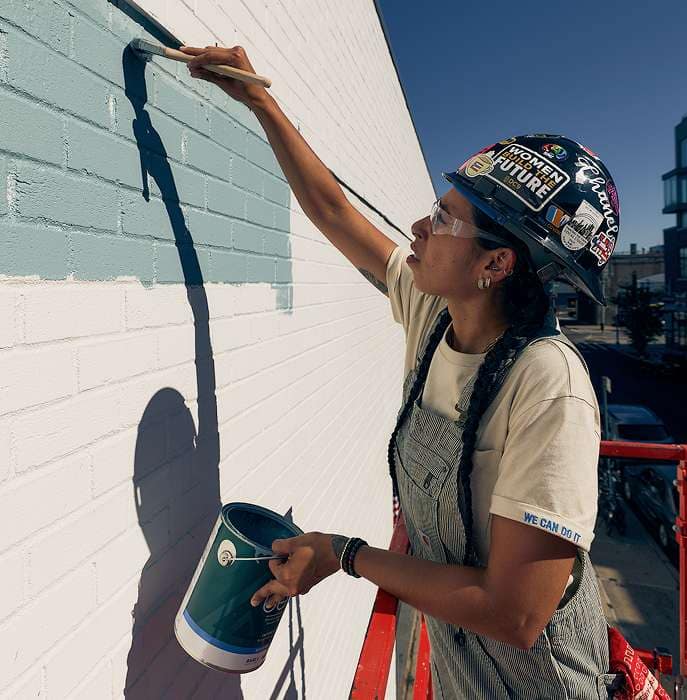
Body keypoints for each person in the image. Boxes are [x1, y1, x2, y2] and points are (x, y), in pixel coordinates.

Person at [183, 45, 621, 699]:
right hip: (458, 668)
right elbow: (335, 212)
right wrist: (260, 101)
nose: (419, 225)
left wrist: (346, 555)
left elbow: (517, 613)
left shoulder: (547, 386)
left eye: (444, 219)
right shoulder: (435, 312)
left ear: (496, 265)